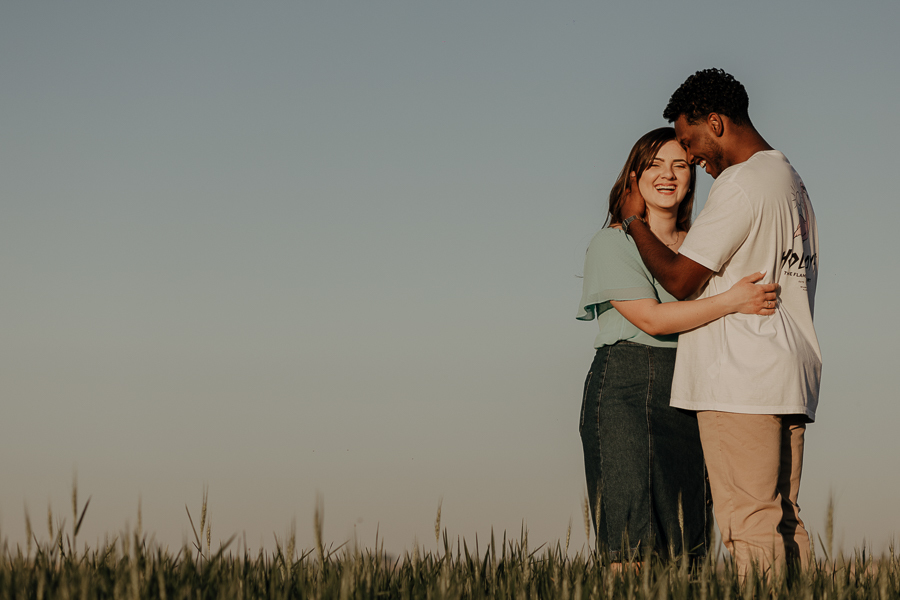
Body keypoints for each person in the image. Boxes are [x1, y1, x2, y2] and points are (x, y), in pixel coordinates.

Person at [619, 69, 821, 577]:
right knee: (785, 521)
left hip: (740, 380)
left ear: (716, 121)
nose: (691, 158)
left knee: (749, 524)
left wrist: (635, 221)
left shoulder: (741, 183)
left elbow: (681, 281)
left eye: (689, 142)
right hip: (787, 375)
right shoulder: (790, 180)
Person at [577, 127, 776, 564]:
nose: (668, 175)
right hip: (628, 388)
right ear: (633, 177)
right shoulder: (612, 242)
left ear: (691, 177)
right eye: (655, 165)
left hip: (694, 390)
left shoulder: (701, 248)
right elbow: (650, 317)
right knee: (634, 542)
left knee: (688, 543)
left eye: (680, 165)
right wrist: (731, 301)